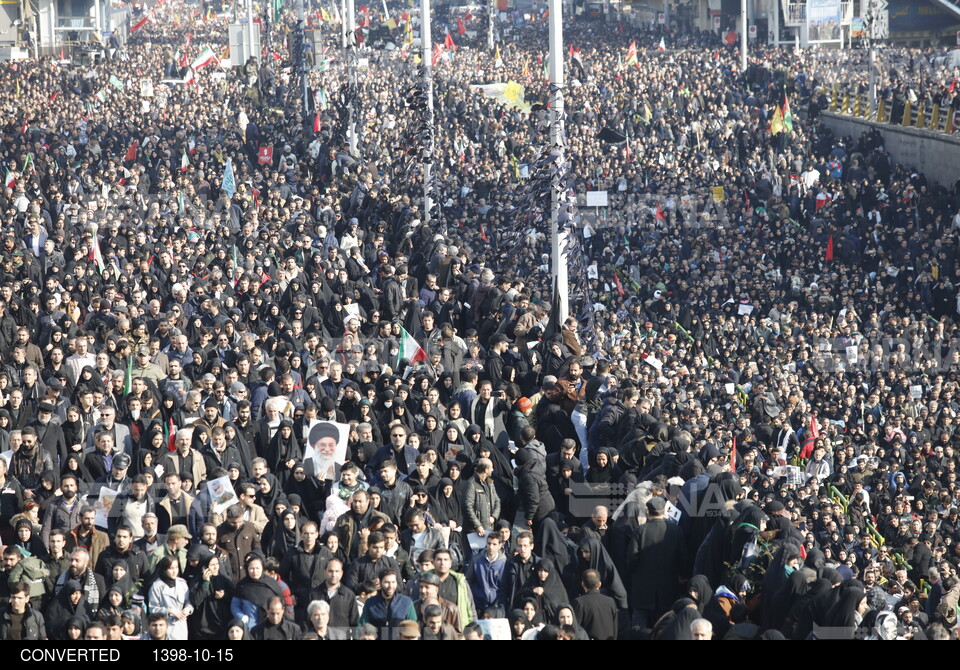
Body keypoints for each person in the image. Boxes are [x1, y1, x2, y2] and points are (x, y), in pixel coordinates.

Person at [628, 497, 688, 627]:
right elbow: (682, 557)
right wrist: (682, 575)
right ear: (664, 511)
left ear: (648, 511)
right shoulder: (676, 531)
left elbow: (632, 558)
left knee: (639, 624)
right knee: (665, 624)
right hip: (668, 587)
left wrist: (634, 574)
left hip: (642, 588)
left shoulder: (639, 530)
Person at [357, 568, 416, 639]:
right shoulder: (370, 603)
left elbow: (413, 628)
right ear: (380, 582)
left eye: (393, 582)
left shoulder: (406, 602)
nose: (390, 586)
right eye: (387, 582)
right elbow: (362, 626)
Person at [148, 554, 193, 640]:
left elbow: (189, 601)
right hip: (164, 625)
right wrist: (169, 611)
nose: (174, 571)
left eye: (176, 568)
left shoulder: (182, 583)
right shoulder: (156, 586)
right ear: (164, 569)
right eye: (171, 568)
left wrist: (188, 609)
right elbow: (152, 608)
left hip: (180, 624)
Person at [572, 569, 619, 641]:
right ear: (599, 584)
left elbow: (576, 628)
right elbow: (615, 628)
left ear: (583, 584)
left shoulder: (579, 602)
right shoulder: (610, 601)